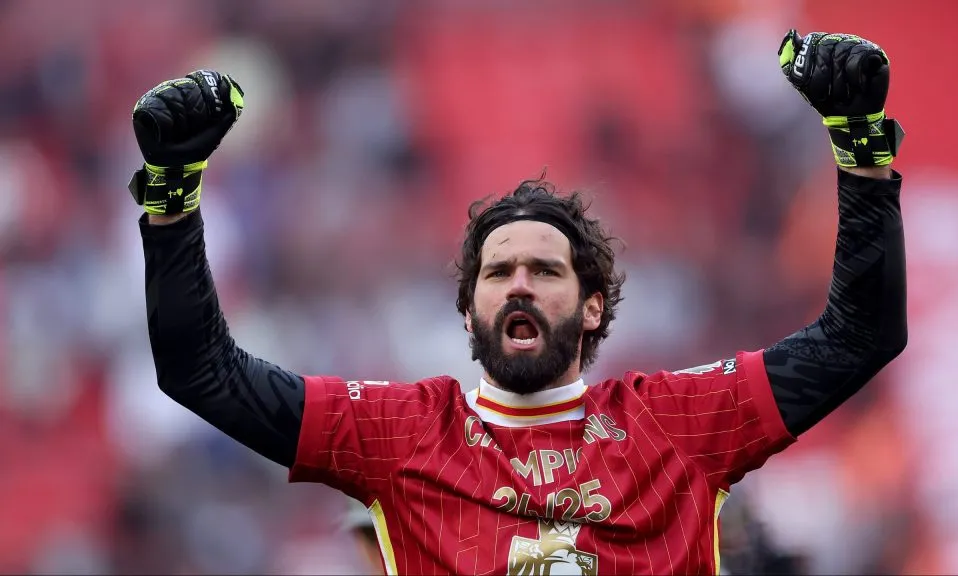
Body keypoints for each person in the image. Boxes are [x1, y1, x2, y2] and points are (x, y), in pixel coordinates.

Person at [128, 30, 907, 575]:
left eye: (546, 269)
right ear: (467, 315)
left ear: (595, 307)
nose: (521, 285)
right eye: (498, 274)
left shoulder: (677, 422)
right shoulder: (400, 435)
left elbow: (859, 337)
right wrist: (171, 201)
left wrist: (862, 151)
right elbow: (202, 372)